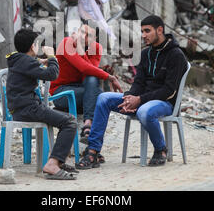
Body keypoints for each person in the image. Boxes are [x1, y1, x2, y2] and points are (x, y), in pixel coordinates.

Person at [76, 15, 188, 169]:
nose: (143, 35)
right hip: (141, 100)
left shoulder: (176, 55)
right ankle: (93, 151)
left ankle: (160, 149)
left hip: (165, 102)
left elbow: (169, 91)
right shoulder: (145, 54)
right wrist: (130, 97)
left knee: (144, 112)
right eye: (142, 31)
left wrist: (140, 100)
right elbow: (139, 82)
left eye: (147, 31)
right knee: (103, 98)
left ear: (160, 30)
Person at [6, 29, 78, 180]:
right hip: (28, 109)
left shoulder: (17, 59)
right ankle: (52, 164)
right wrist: (52, 57)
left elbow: (29, 65)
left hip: (20, 108)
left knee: (66, 120)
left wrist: (40, 61)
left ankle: (57, 161)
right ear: (33, 46)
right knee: (70, 121)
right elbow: (52, 74)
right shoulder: (26, 62)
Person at [50, 22, 122, 145]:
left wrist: (82, 52)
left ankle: (88, 126)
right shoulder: (67, 43)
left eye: (89, 35)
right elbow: (84, 68)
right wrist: (110, 77)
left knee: (93, 81)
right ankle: (93, 146)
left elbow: (88, 73)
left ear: (95, 39)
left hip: (84, 92)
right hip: (61, 93)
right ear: (77, 31)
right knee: (101, 97)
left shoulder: (96, 48)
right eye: (82, 32)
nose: (84, 37)